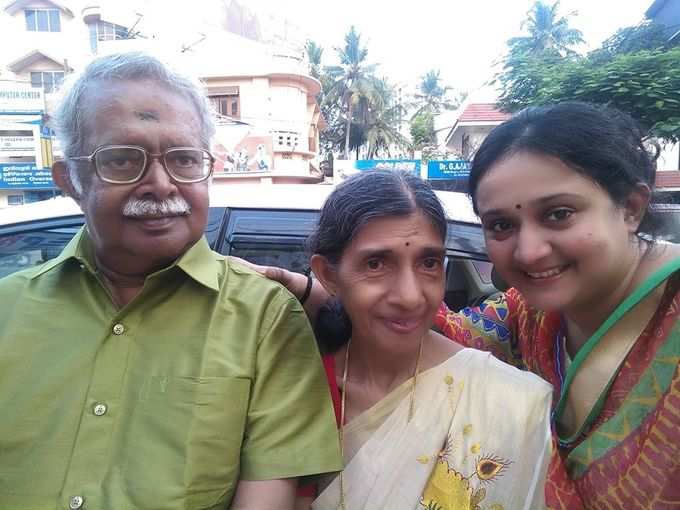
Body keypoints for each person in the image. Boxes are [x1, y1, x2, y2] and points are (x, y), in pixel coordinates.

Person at [255, 102, 680, 509]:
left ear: (631, 208)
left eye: (558, 214)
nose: (529, 251)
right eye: (500, 225)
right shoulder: (527, 314)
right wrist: (317, 290)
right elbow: (430, 326)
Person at [0, 52, 341, 510]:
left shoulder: (267, 319)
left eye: (183, 159)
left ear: (210, 169)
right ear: (70, 179)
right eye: (122, 160)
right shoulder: (8, 309)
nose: (161, 184)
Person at [287, 170, 553, 509]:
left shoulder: (515, 405)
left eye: (428, 263)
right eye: (376, 263)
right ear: (328, 275)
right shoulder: (294, 392)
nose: (411, 296)